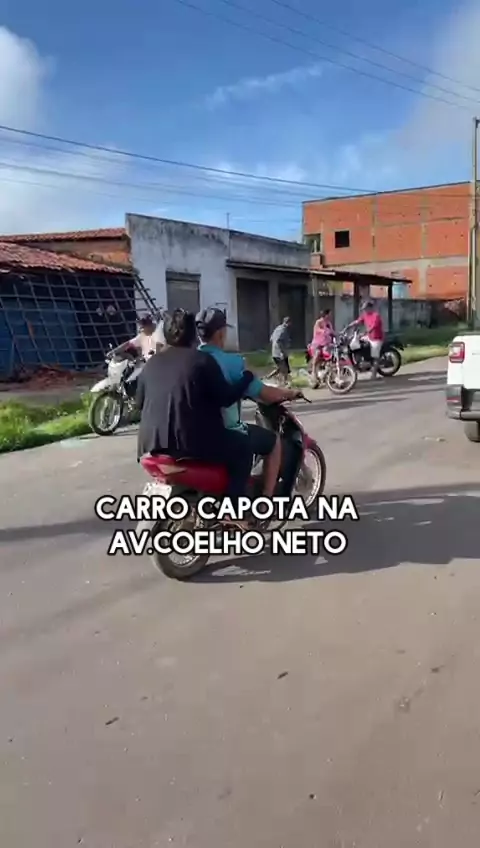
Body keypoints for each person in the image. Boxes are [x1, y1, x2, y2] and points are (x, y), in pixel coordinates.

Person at [136, 308, 258, 515]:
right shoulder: (202, 361)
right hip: (191, 445)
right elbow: (226, 397)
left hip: (150, 445)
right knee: (244, 448)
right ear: (193, 334)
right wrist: (247, 377)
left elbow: (139, 403)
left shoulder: (152, 363)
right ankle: (234, 511)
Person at [196, 307, 302, 500]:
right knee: (273, 442)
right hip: (225, 432)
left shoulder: (191, 359)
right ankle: (266, 500)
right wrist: (290, 393)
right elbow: (266, 394)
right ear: (221, 333)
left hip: (194, 434)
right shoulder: (232, 362)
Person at [348, 300, 385, 379]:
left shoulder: (376, 316)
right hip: (369, 336)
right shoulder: (365, 315)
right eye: (363, 309)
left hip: (376, 338)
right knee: (356, 344)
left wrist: (366, 332)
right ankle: (362, 359)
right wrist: (349, 326)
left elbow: (373, 326)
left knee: (375, 356)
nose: (364, 310)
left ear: (370, 308)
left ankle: (374, 374)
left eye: (365, 308)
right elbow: (358, 321)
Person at [310, 309, 334, 376]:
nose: (330, 315)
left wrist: (338, 334)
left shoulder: (328, 323)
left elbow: (332, 331)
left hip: (326, 343)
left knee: (331, 353)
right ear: (326, 315)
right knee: (317, 353)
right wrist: (323, 331)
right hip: (318, 343)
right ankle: (313, 371)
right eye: (329, 314)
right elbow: (317, 329)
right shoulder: (319, 322)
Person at [270, 316, 292, 385]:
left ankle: (268, 378)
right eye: (289, 323)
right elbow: (278, 341)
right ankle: (285, 383)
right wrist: (281, 352)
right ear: (287, 323)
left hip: (275, 352)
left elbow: (271, 339)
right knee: (285, 369)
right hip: (279, 353)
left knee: (280, 368)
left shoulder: (277, 328)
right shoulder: (283, 330)